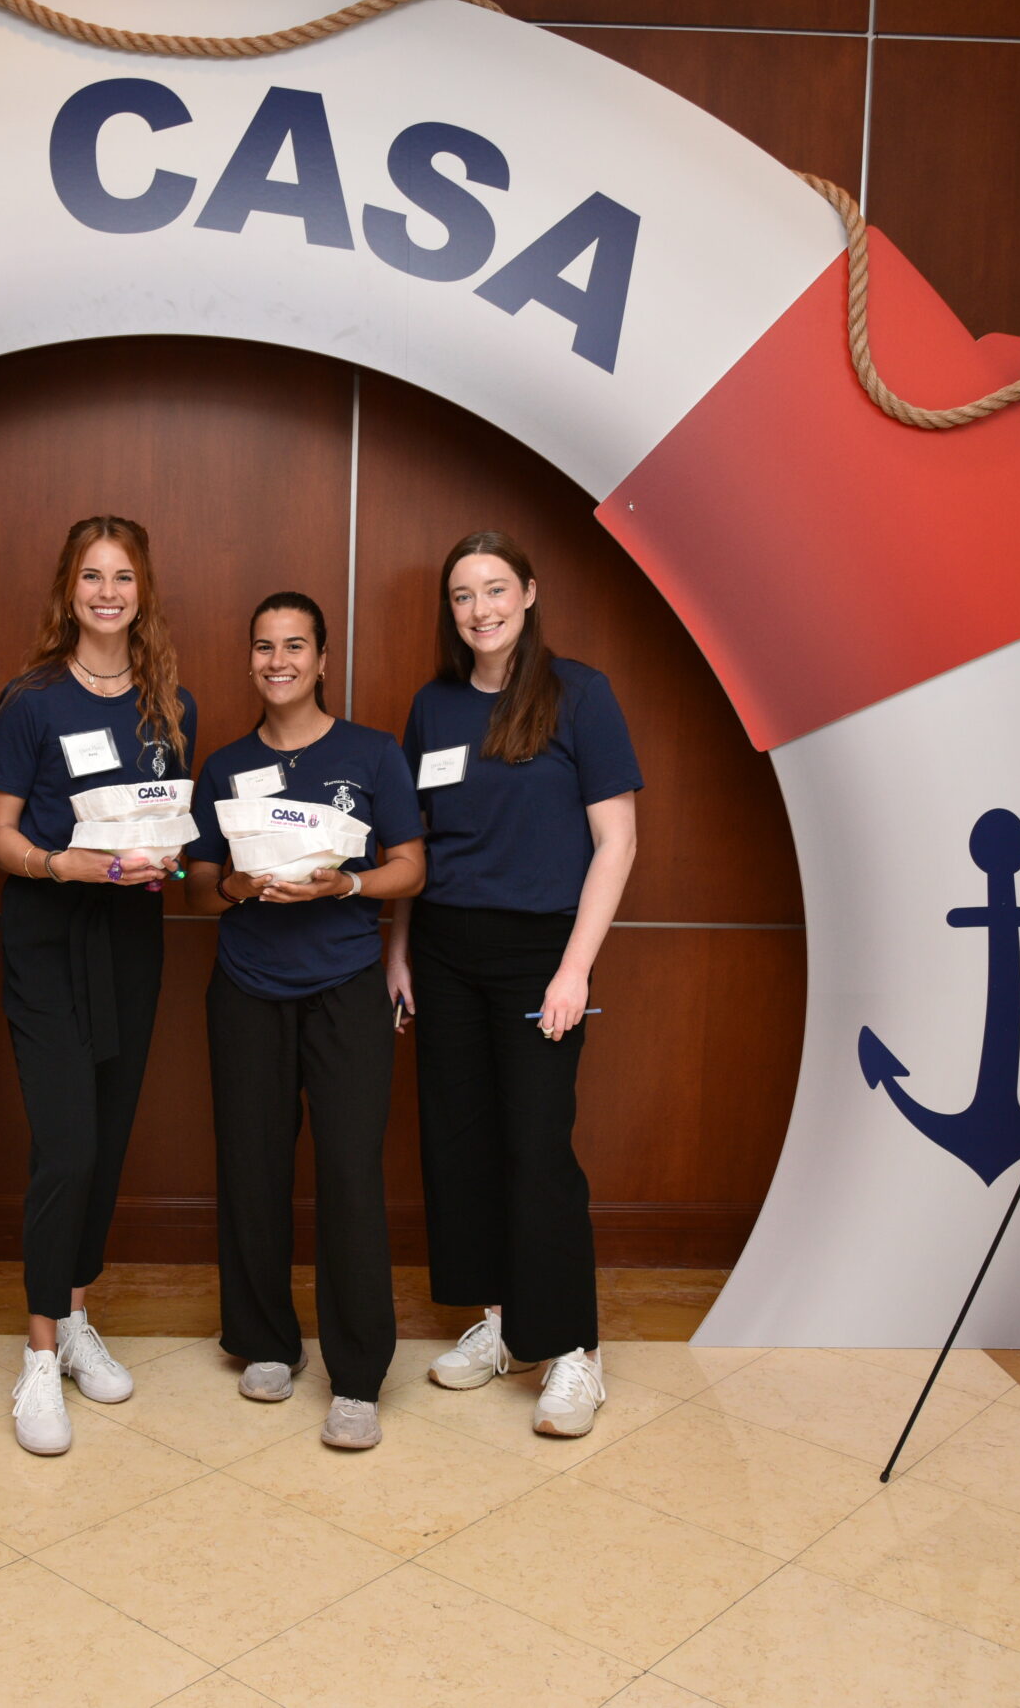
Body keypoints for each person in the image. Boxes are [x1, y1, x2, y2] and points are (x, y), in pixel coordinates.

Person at [387, 531, 641, 1439]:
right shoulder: (434, 705)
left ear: (529, 594)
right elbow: (416, 842)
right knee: (459, 1146)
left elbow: (617, 841)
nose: (480, 609)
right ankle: (499, 1324)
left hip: (541, 953)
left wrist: (575, 967)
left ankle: (572, 1350)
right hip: (445, 950)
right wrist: (399, 951)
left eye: (495, 589)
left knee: (538, 1148)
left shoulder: (581, 694)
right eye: (463, 595)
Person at [183, 593, 425, 1451]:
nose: (277, 660)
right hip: (247, 986)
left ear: (323, 659)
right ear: (250, 659)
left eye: (294, 645)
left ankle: (357, 1376)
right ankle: (264, 1341)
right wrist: (238, 885)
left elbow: (411, 866)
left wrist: (345, 883)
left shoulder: (373, 752)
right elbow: (199, 884)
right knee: (252, 1166)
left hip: (346, 986)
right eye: (263, 646)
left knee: (350, 1173)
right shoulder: (224, 765)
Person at [0, 516, 197, 1455]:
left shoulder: (171, 704)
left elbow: (172, 830)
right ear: (67, 590)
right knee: (66, 1145)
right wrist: (62, 864)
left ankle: (74, 1317)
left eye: (123, 577)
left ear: (143, 592)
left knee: (106, 1143)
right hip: (47, 937)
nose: (107, 593)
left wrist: (168, 863)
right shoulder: (29, 701)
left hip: (131, 941)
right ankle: (38, 1355)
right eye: (91, 576)